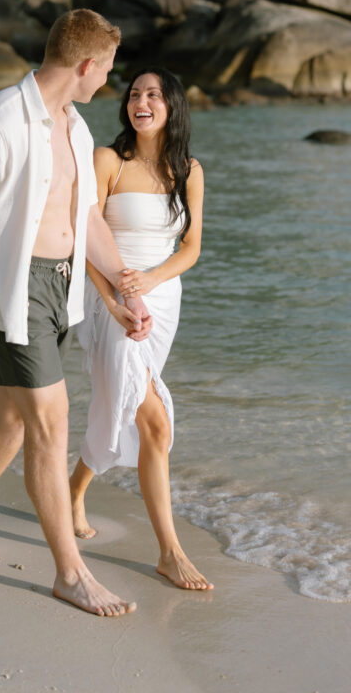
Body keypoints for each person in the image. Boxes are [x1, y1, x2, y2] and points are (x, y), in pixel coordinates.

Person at [0, 9, 152, 618]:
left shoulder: (74, 128)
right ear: (84, 65)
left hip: (63, 289)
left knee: (15, 418)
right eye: (106, 71)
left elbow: (88, 221)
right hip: (10, 290)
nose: (108, 84)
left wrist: (126, 290)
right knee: (50, 420)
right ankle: (71, 572)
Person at [69, 68, 213, 591]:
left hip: (163, 302)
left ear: (172, 106)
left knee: (119, 406)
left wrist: (150, 280)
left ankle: (71, 492)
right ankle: (169, 552)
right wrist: (113, 302)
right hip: (110, 301)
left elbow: (191, 249)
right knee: (154, 422)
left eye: (153, 94)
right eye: (133, 94)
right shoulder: (108, 160)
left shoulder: (189, 171)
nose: (140, 102)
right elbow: (82, 237)